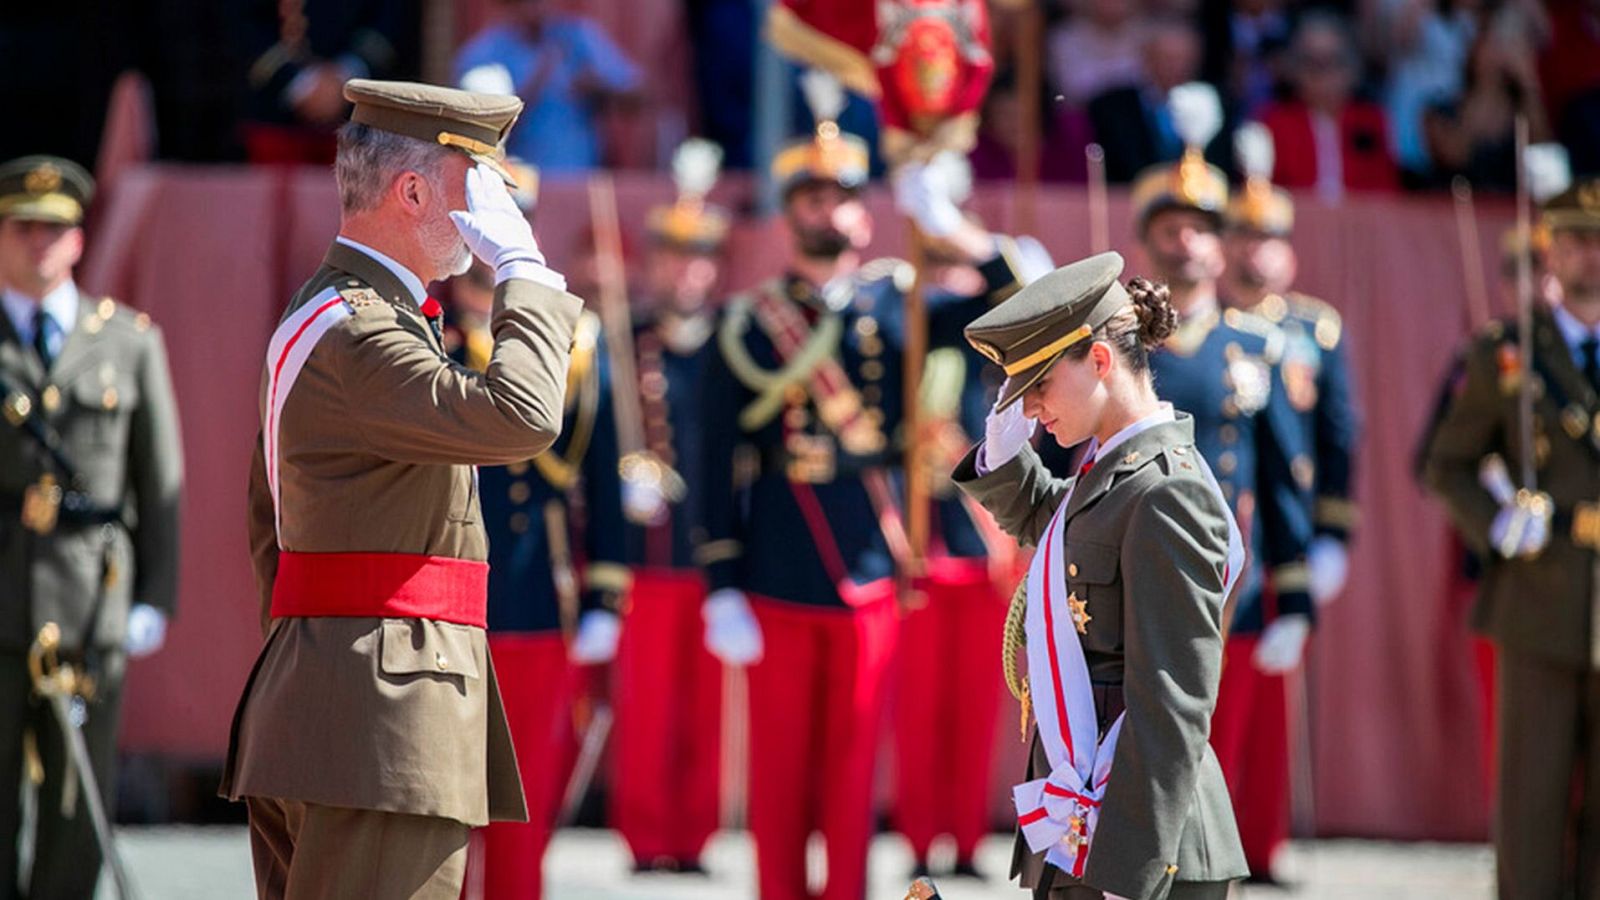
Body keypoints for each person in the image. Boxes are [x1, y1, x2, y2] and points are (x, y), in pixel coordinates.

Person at [219, 79, 586, 899]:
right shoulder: (359, 329)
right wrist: (522, 269)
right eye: (477, 189)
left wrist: (314, 664)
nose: (492, 214)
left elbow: (264, 525)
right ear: (413, 190)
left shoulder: (350, 316)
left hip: (345, 699)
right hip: (380, 718)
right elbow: (522, 415)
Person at [695, 71, 1024, 900]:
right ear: (788, 211)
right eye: (808, 196)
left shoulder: (900, 304)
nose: (825, 210)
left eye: (841, 197)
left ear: (864, 214)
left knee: (852, 770)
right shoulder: (748, 322)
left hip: (869, 560)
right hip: (774, 556)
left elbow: (1015, 306)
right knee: (778, 776)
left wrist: (949, 228)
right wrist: (719, 580)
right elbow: (712, 462)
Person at [953, 251, 1247, 899]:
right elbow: (1060, 536)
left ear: (1100, 361)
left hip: (1141, 849)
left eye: (1039, 385)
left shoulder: (1165, 490)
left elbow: (1174, 702)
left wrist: (1128, 874)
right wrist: (1002, 458)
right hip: (1086, 825)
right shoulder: (1111, 472)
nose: (1030, 409)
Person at [1129, 143, 1316, 883]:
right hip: (1133, 589)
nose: (1185, 240)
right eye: (1169, 227)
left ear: (1221, 242)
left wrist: (1295, 596)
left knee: (1216, 776)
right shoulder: (1120, 348)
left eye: (1200, 226)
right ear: (1146, 238)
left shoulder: (1258, 349)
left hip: (1227, 595)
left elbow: (1284, 479)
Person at [0, 155, 183, 899]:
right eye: (24, 228)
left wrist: (155, 600)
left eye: (56, 230)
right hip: (3, 599)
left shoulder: (130, 343)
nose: (40, 244)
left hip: (90, 606)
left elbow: (160, 482)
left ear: (79, 241)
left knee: (78, 808)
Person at [1423, 178, 1600, 900]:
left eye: (1599, 243)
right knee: (1531, 803)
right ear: (1548, 253)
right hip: (1539, 604)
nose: (1590, 257)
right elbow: (1445, 462)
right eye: (1575, 241)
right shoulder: (1507, 352)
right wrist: (1496, 520)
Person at [448, 253, 628, 898]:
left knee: (522, 796)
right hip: (443, 594)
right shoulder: (428, 334)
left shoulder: (573, 348)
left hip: (535, 593)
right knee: (440, 797)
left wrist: (605, 596)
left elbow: (603, 478)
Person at [609, 138, 729, 875]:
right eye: (671, 255)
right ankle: (646, 836)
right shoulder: (628, 344)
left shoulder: (729, 348)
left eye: (696, 256)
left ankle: (695, 836)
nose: (683, 269)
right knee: (647, 704)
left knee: (707, 710)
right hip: (647, 555)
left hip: (712, 550)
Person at [1223, 125, 1361, 605]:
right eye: (1243, 236)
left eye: (1267, 238)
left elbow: (1338, 436)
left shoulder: (1315, 330)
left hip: (1294, 518)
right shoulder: (1210, 327)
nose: (1254, 249)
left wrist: (1332, 534)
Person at [454, 0, 643, 172]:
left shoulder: (577, 37)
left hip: (582, 178)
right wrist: (539, 77)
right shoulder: (485, 52)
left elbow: (638, 96)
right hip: (516, 180)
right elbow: (479, 130)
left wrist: (599, 87)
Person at [237, 0, 422, 164]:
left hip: (365, 122)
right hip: (274, 116)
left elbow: (391, 18)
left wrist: (347, 76)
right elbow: (241, 21)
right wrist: (297, 81)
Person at [1258, 12, 1400, 201]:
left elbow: (1386, 193)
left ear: (1351, 68)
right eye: (1312, 63)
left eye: (1332, 61)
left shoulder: (1372, 122)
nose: (1322, 76)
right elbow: (1264, 195)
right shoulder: (1274, 124)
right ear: (1295, 69)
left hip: (1361, 226)